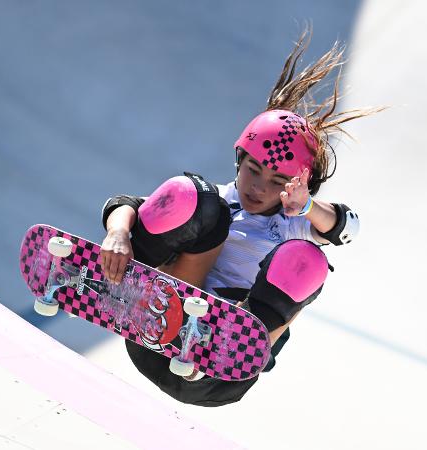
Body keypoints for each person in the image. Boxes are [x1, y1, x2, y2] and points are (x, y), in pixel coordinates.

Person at [100, 28, 380, 407]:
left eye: (277, 180)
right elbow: (127, 203)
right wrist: (117, 233)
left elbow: (349, 228)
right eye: (253, 169)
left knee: (305, 260)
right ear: (239, 160)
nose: (259, 187)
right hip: (156, 325)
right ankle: (134, 292)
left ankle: (220, 349)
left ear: (297, 184)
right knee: (190, 196)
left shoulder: (299, 223)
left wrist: (308, 206)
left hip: (218, 370)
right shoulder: (216, 199)